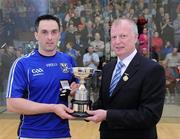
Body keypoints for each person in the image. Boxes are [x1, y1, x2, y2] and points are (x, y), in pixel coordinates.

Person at [85, 18, 166, 139]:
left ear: (135, 37)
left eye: (123, 36)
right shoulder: (108, 69)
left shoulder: (152, 69)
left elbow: (149, 115)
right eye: (113, 37)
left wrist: (108, 115)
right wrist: (82, 105)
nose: (117, 41)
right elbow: (103, 103)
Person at [6, 14, 79, 139]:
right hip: (31, 134)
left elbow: (75, 91)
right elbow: (12, 104)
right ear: (36, 35)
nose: (50, 37)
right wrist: (52, 108)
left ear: (59, 34)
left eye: (54, 32)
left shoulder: (68, 61)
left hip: (62, 134)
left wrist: (75, 92)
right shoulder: (22, 64)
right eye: (44, 32)